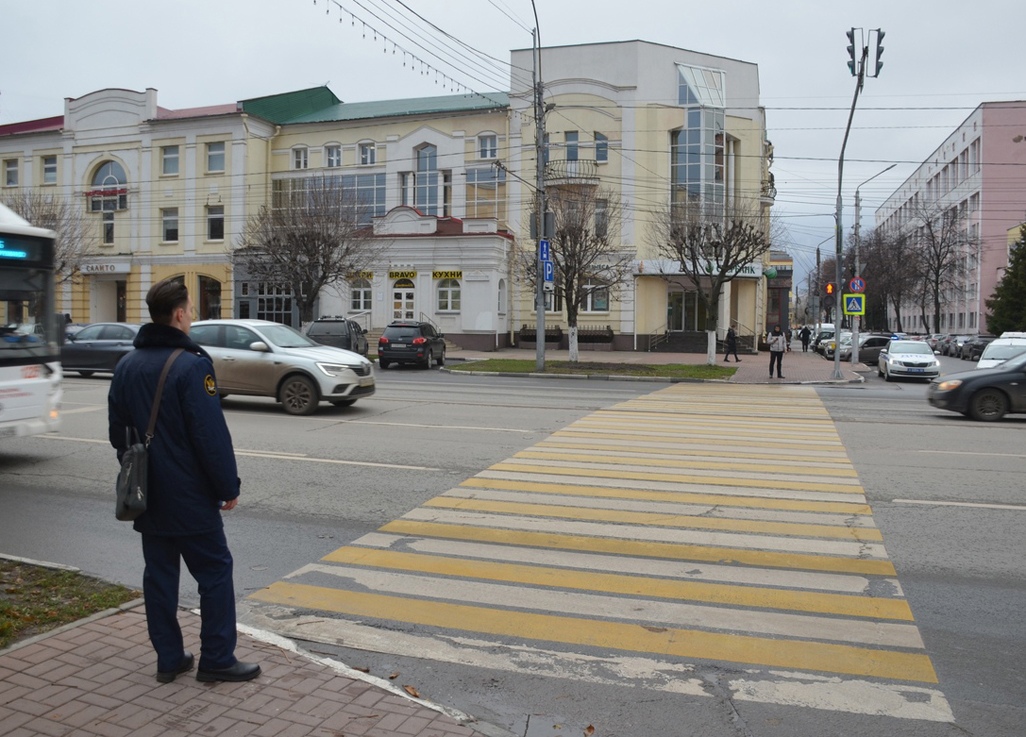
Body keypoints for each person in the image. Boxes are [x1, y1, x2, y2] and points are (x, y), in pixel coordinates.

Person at [108, 278, 260, 684]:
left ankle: (170, 659)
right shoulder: (192, 366)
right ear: (179, 314)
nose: (193, 315)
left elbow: (117, 436)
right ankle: (217, 659)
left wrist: (143, 469)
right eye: (191, 309)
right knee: (214, 573)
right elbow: (210, 437)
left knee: (159, 578)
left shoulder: (126, 365)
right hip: (190, 499)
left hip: (146, 496)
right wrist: (228, 487)